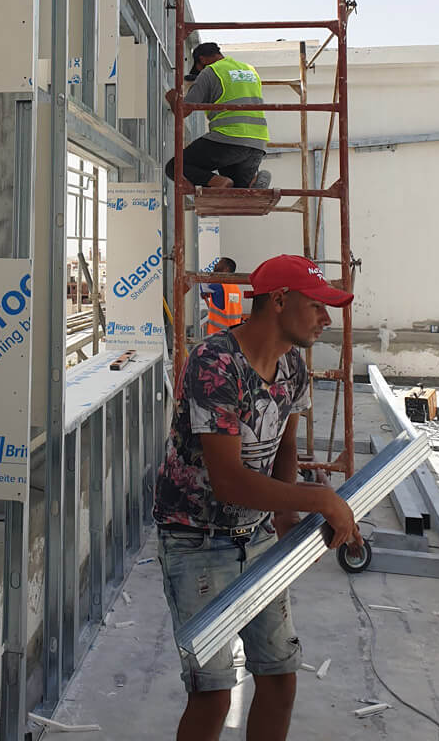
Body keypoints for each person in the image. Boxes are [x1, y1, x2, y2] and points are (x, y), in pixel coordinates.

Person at [154, 255, 361, 741]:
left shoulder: (292, 368)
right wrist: (319, 499)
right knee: (212, 694)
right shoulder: (214, 364)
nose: (326, 319)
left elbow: (285, 446)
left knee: (280, 677)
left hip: (258, 534)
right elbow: (229, 481)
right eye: (317, 306)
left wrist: (287, 515)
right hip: (197, 540)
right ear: (281, 301)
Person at [165, 43, 271, 191]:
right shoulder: (249, 70)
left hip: (228, 139)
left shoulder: (211, 71)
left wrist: (172, 98)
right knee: (237, 190)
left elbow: (183, 111)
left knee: (175, 167)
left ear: (202, 60)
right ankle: (252, 181)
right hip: (258, 143)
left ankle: (217, 183)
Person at [201, 256, 245, 336]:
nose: (215, 265)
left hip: (218, 335)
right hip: (233, 332)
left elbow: (202, 287)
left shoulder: (218, 286)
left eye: (218, 264)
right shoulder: (234, 287)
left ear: (226, 270)